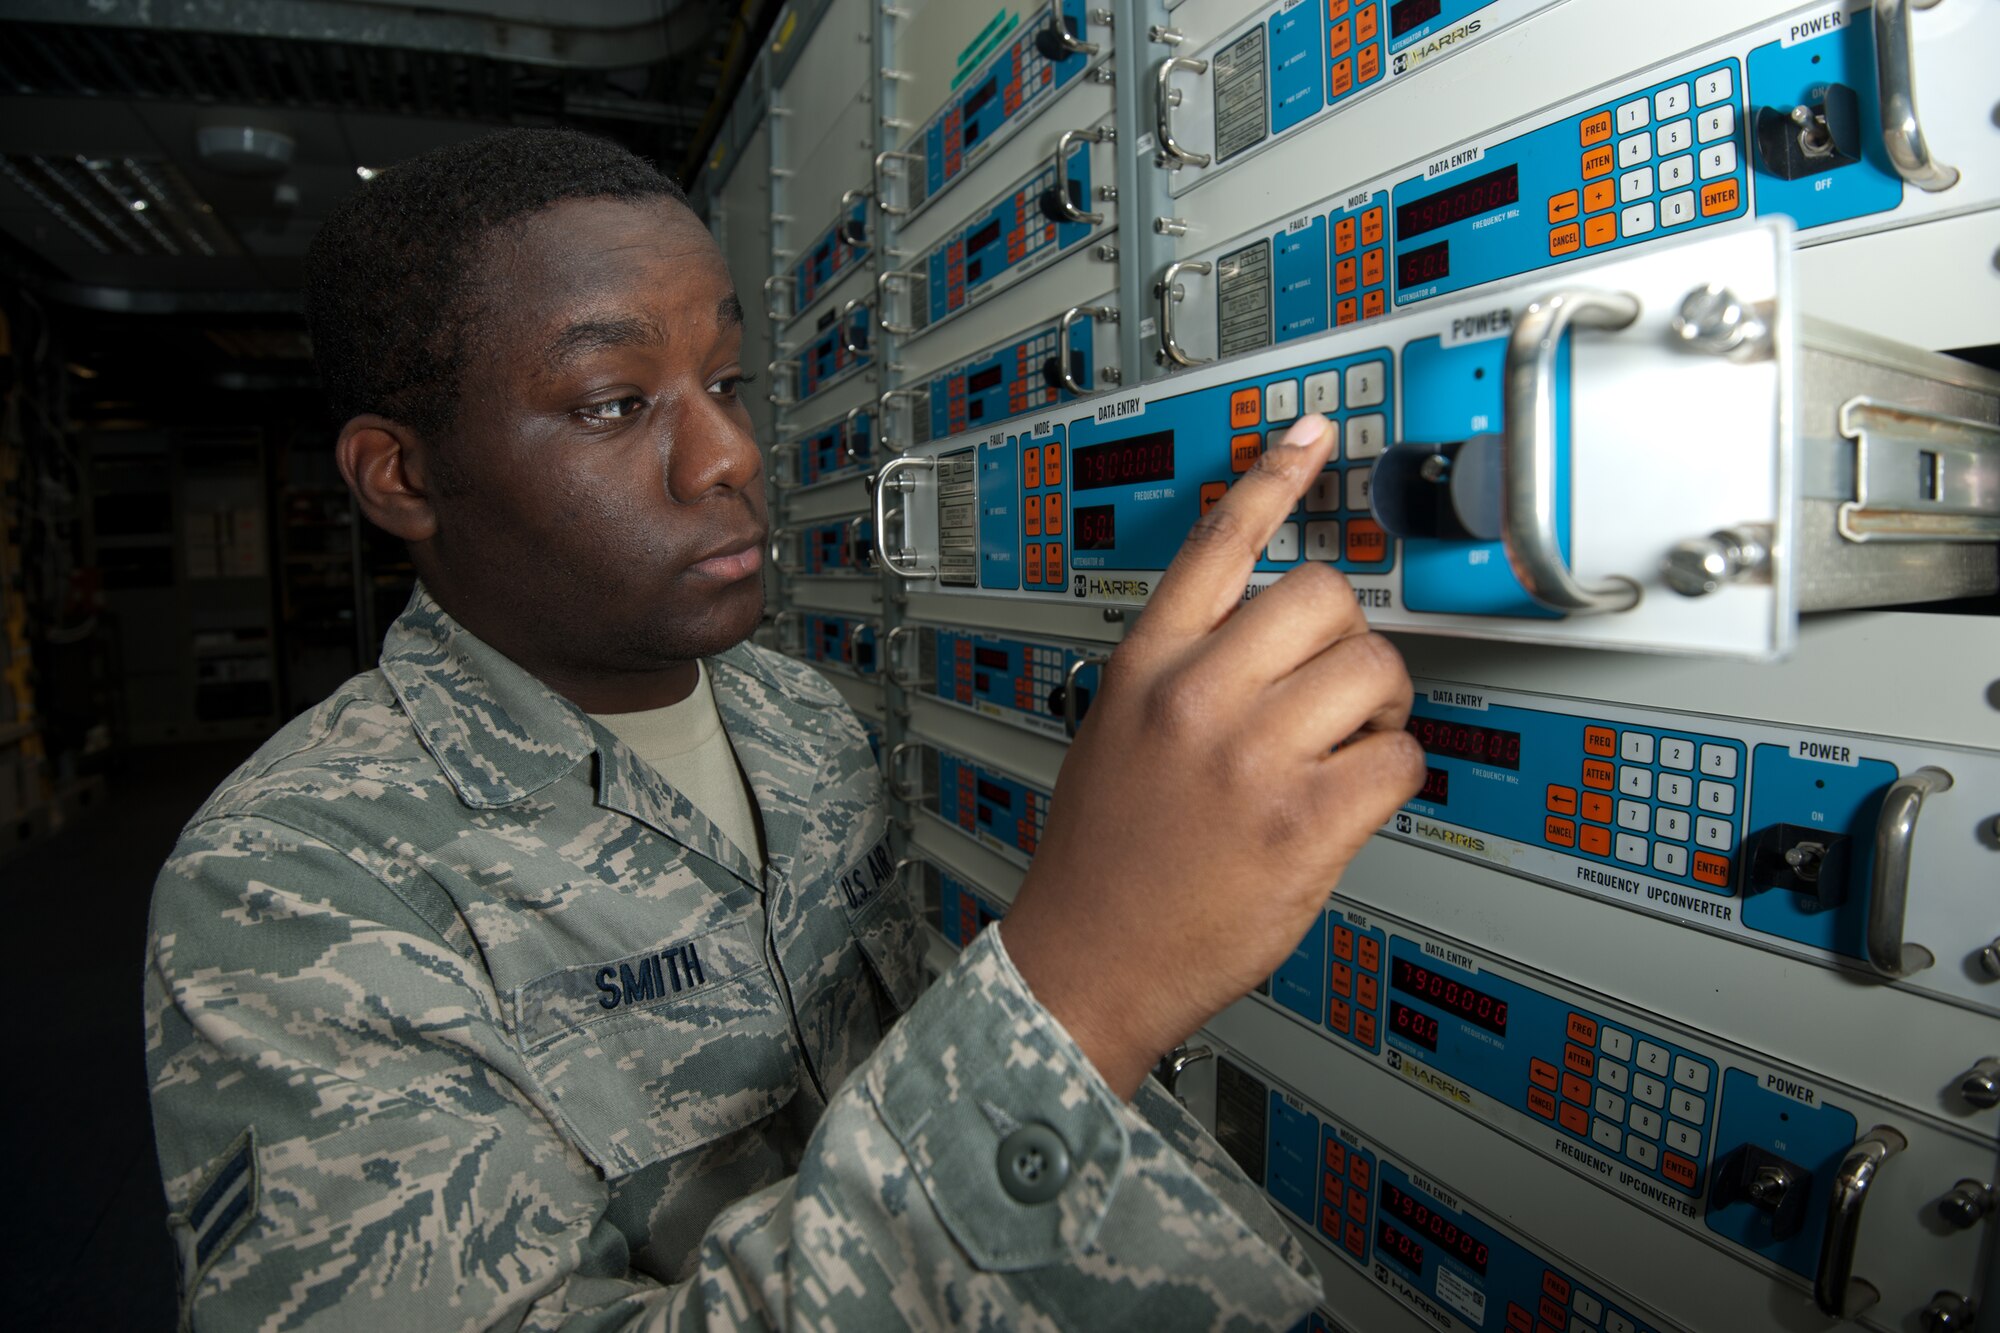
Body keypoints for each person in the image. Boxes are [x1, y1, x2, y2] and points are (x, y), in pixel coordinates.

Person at [144, 127, 1424, 1330]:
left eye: (727, 381)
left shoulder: (799, 715)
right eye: (611, 402)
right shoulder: (286, 884)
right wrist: (1084, 993)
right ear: (403, 476)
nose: (725, 456)